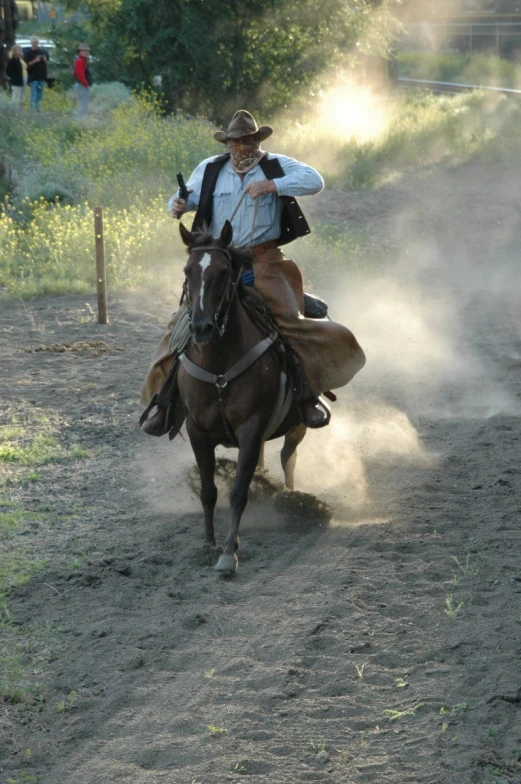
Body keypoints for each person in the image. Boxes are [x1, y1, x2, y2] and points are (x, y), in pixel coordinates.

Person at [140, 110, 365, 436]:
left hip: (265, 260)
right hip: (220, 263)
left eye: (248, 141)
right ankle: (166, 402)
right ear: (228, 143)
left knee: (286, 318)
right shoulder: (210, 168)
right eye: (236, 142)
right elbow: (184, 197)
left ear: (257, 141)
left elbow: (315, 181)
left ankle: (305, 396)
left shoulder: (276, 165)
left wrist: (273, 185)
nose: (242, 147)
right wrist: (176, 204)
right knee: (182, 326)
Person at [24, 36, 48, 112]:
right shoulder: (28, 53)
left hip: (42, 77)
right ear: (31, 43)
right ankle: (32, 109)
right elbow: (27, 65)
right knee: (34, 93)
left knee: (40, 94)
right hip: (33, 77)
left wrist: (44, 60)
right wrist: (35, 60)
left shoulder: (43, 52)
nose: (35, 44)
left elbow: (47, 62)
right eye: (33, 43)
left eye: (36, 42)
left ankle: (37, 108)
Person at [73, 43, 92, 119]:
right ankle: (80, 121)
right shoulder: (80, 61)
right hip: (82, 85)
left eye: (87, 51)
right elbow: (80, 75)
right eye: (85, 50)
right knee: (83, 105)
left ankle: (81, 120)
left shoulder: (82, 60)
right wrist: (86, 84)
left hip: (81, 85)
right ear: (80, 51)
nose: (87, 52)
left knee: (84, 104)